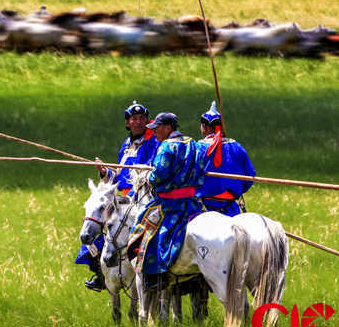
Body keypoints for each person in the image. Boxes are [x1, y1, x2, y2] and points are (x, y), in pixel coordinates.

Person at [76, 100, 160, 292]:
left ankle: (150, 273)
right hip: (123, 199)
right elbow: (119, 177)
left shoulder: (153, 142)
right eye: (134, 119)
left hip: (142, 198)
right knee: (94, 223)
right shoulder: (126, 145)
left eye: (142, 118)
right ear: (127, 123)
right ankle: (100, 271)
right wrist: (105, 172)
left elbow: (153, 171)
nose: (138, 122)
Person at [126, 112, 208, 290]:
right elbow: (202, 166)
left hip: (170, 204)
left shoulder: (166, 147)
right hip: (193, 203)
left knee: (145, 229)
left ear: (168, 128)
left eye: (157, 128)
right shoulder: (194, 144)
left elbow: (158, 175)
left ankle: (156, 275)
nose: (154, 132)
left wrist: (149, 178)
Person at [197, 101, 255, 216]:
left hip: (203, 209)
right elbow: (250, 177)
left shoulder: (197, 148)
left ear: (204, 127)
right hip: (231, 209)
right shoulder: (237, 146)